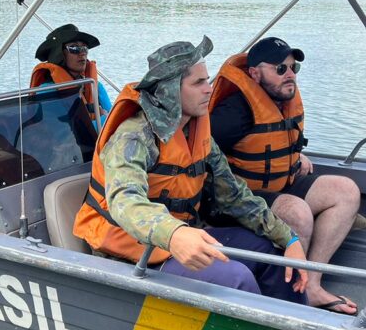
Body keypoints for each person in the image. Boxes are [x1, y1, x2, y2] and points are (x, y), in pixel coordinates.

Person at [73, 36, 308, 302]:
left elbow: (235, 196)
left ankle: (299, 329)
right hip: (129, 250)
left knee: (267, 252)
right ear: (170, 89)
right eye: (199, 82)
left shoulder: (197, 131)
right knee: (235, 278)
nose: (209, 89)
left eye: (207, 80)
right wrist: (174, 235)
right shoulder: (134, 137)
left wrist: (288, 238)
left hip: (182, 235)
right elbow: (125, 201)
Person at [210, 36, 364, 314]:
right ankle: (289, 296)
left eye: (293, 68)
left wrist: (296, 155)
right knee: (298, 212)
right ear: (255, 74)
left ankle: (312, 286)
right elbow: (199, 153)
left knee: (345, 190)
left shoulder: (282, 101)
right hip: (235, 200)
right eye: (280, 69)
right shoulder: (233, 112)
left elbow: (277, 140)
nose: (290, 74)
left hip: (280, 185)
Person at [30, 24, 112, 123]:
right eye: (74, 48)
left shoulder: (95, 86)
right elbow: (61, 132)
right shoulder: (46, 91)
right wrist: (104, 118)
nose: (82, 53)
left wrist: (105, 119)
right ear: (59, 54)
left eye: (85, 48)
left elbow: (116, 120)